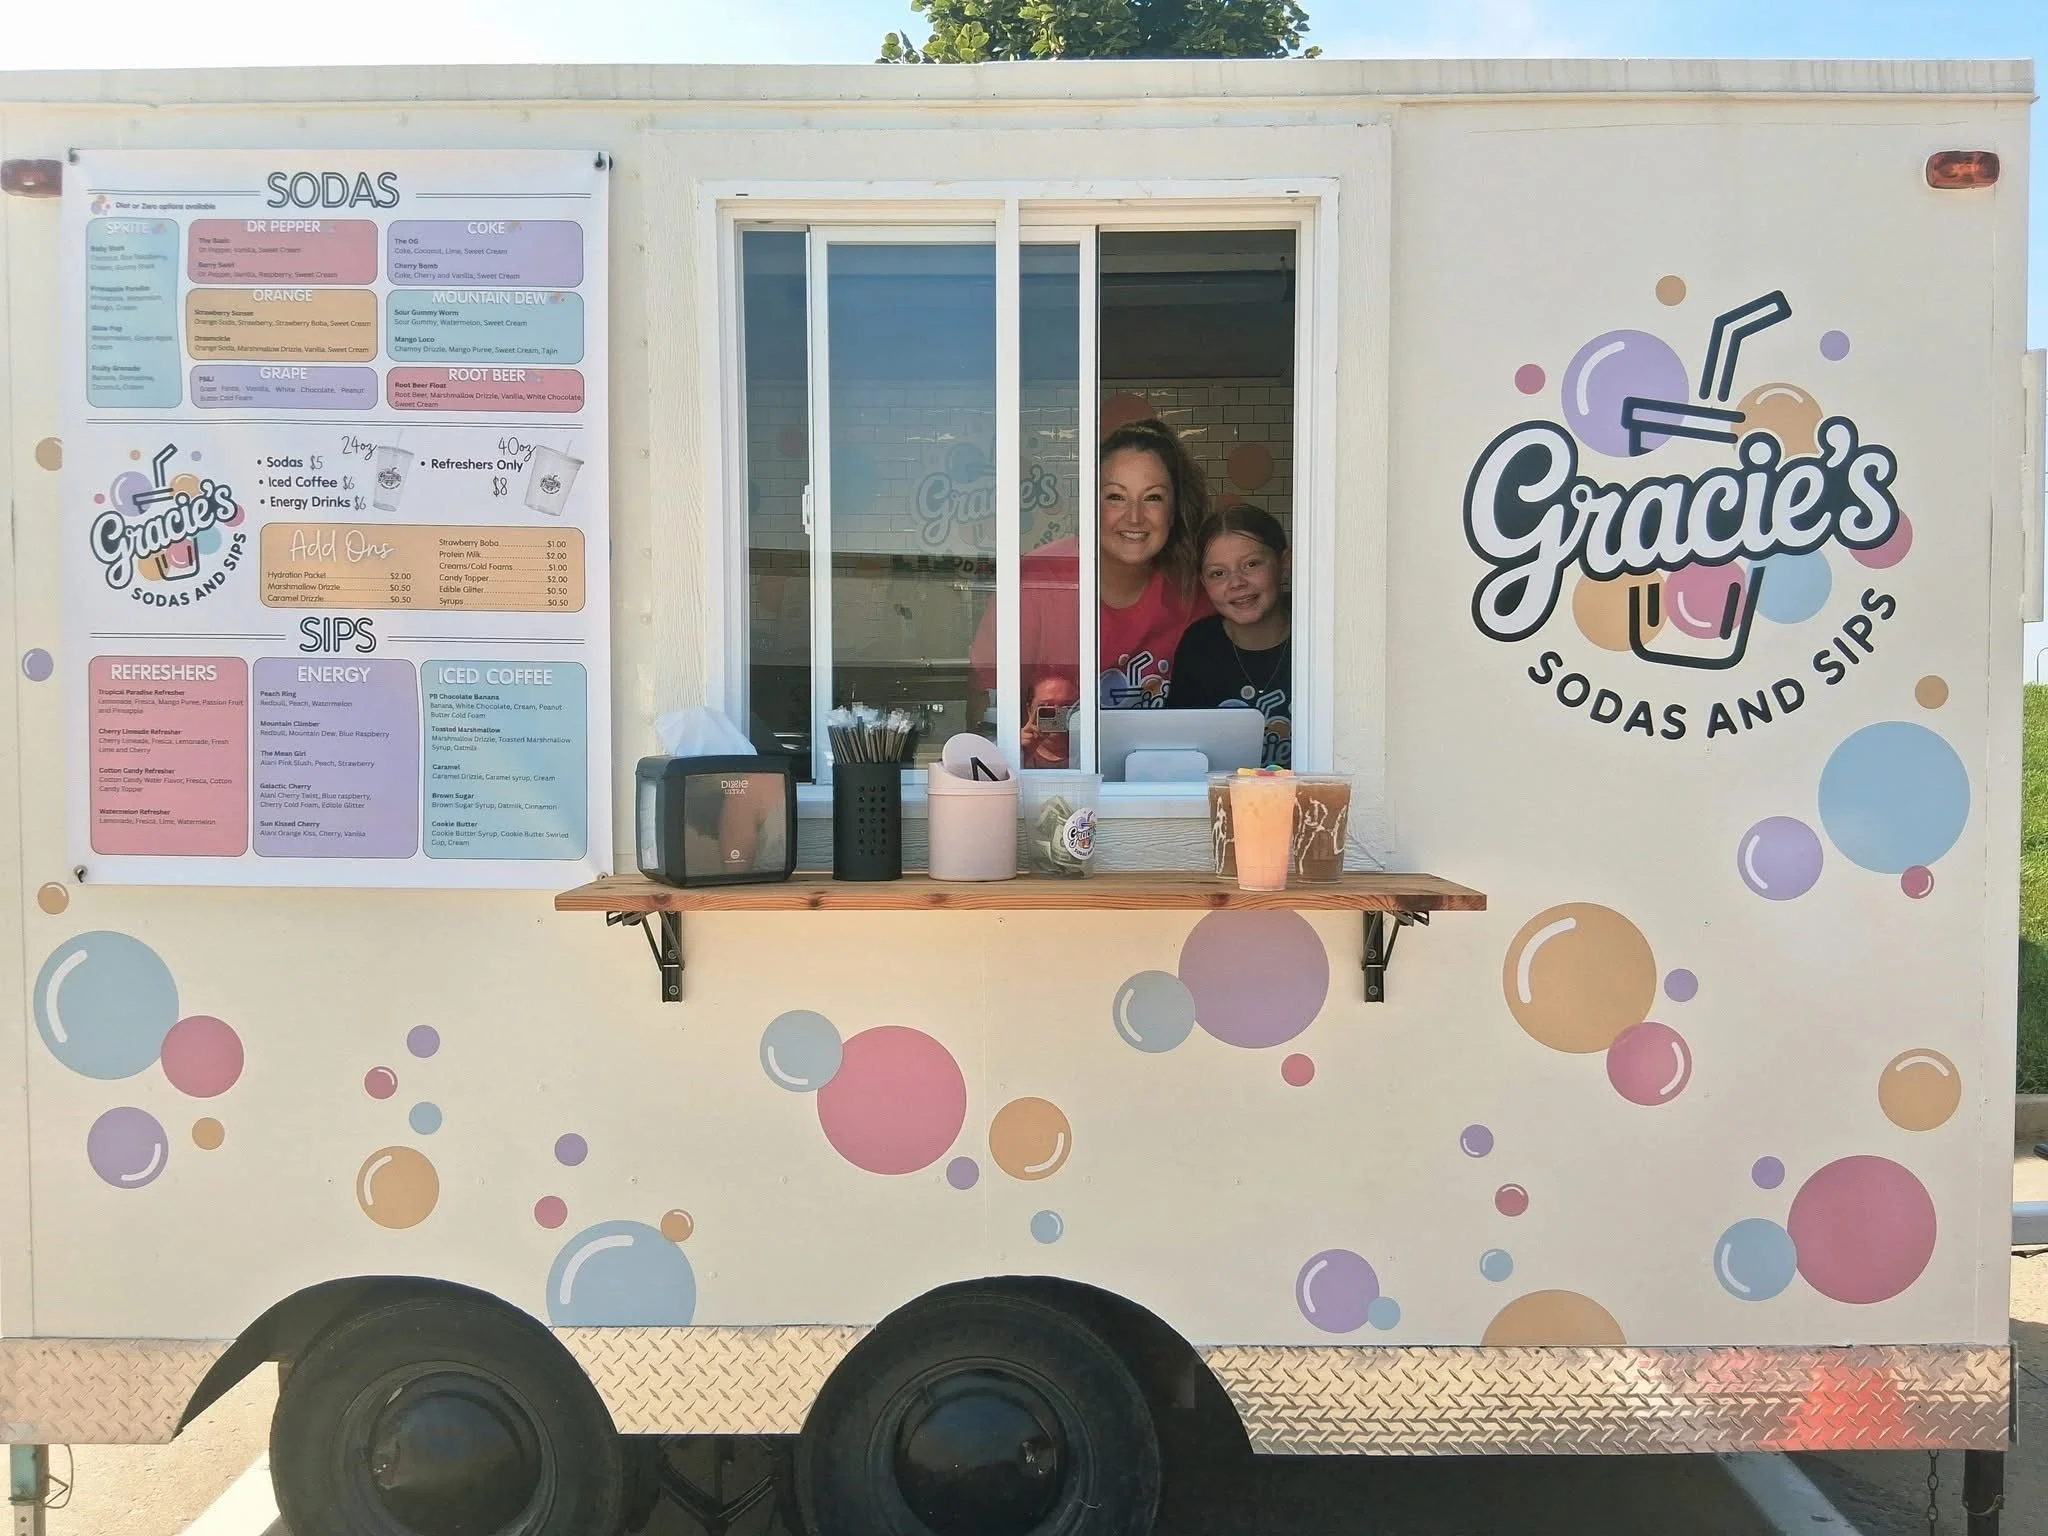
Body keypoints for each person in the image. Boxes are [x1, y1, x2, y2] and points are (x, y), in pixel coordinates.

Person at [972, 417, 1214, 765]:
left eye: (1153, 498)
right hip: (1045, 800)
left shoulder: (1194, 591)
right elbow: (984, 712)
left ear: (1175, 510)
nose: (1134, 517)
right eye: (1115, 496)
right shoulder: (1037, 580)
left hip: (1158, 795)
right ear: (1091, 505)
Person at [1168, 504, 1292, 768]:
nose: (1236, 582)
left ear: (1285, 564)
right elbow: (1180, 750)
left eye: (1251, 564)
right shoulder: (1199, 646)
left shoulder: (1316, 630)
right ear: (1203, 582)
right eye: (1218, 573)